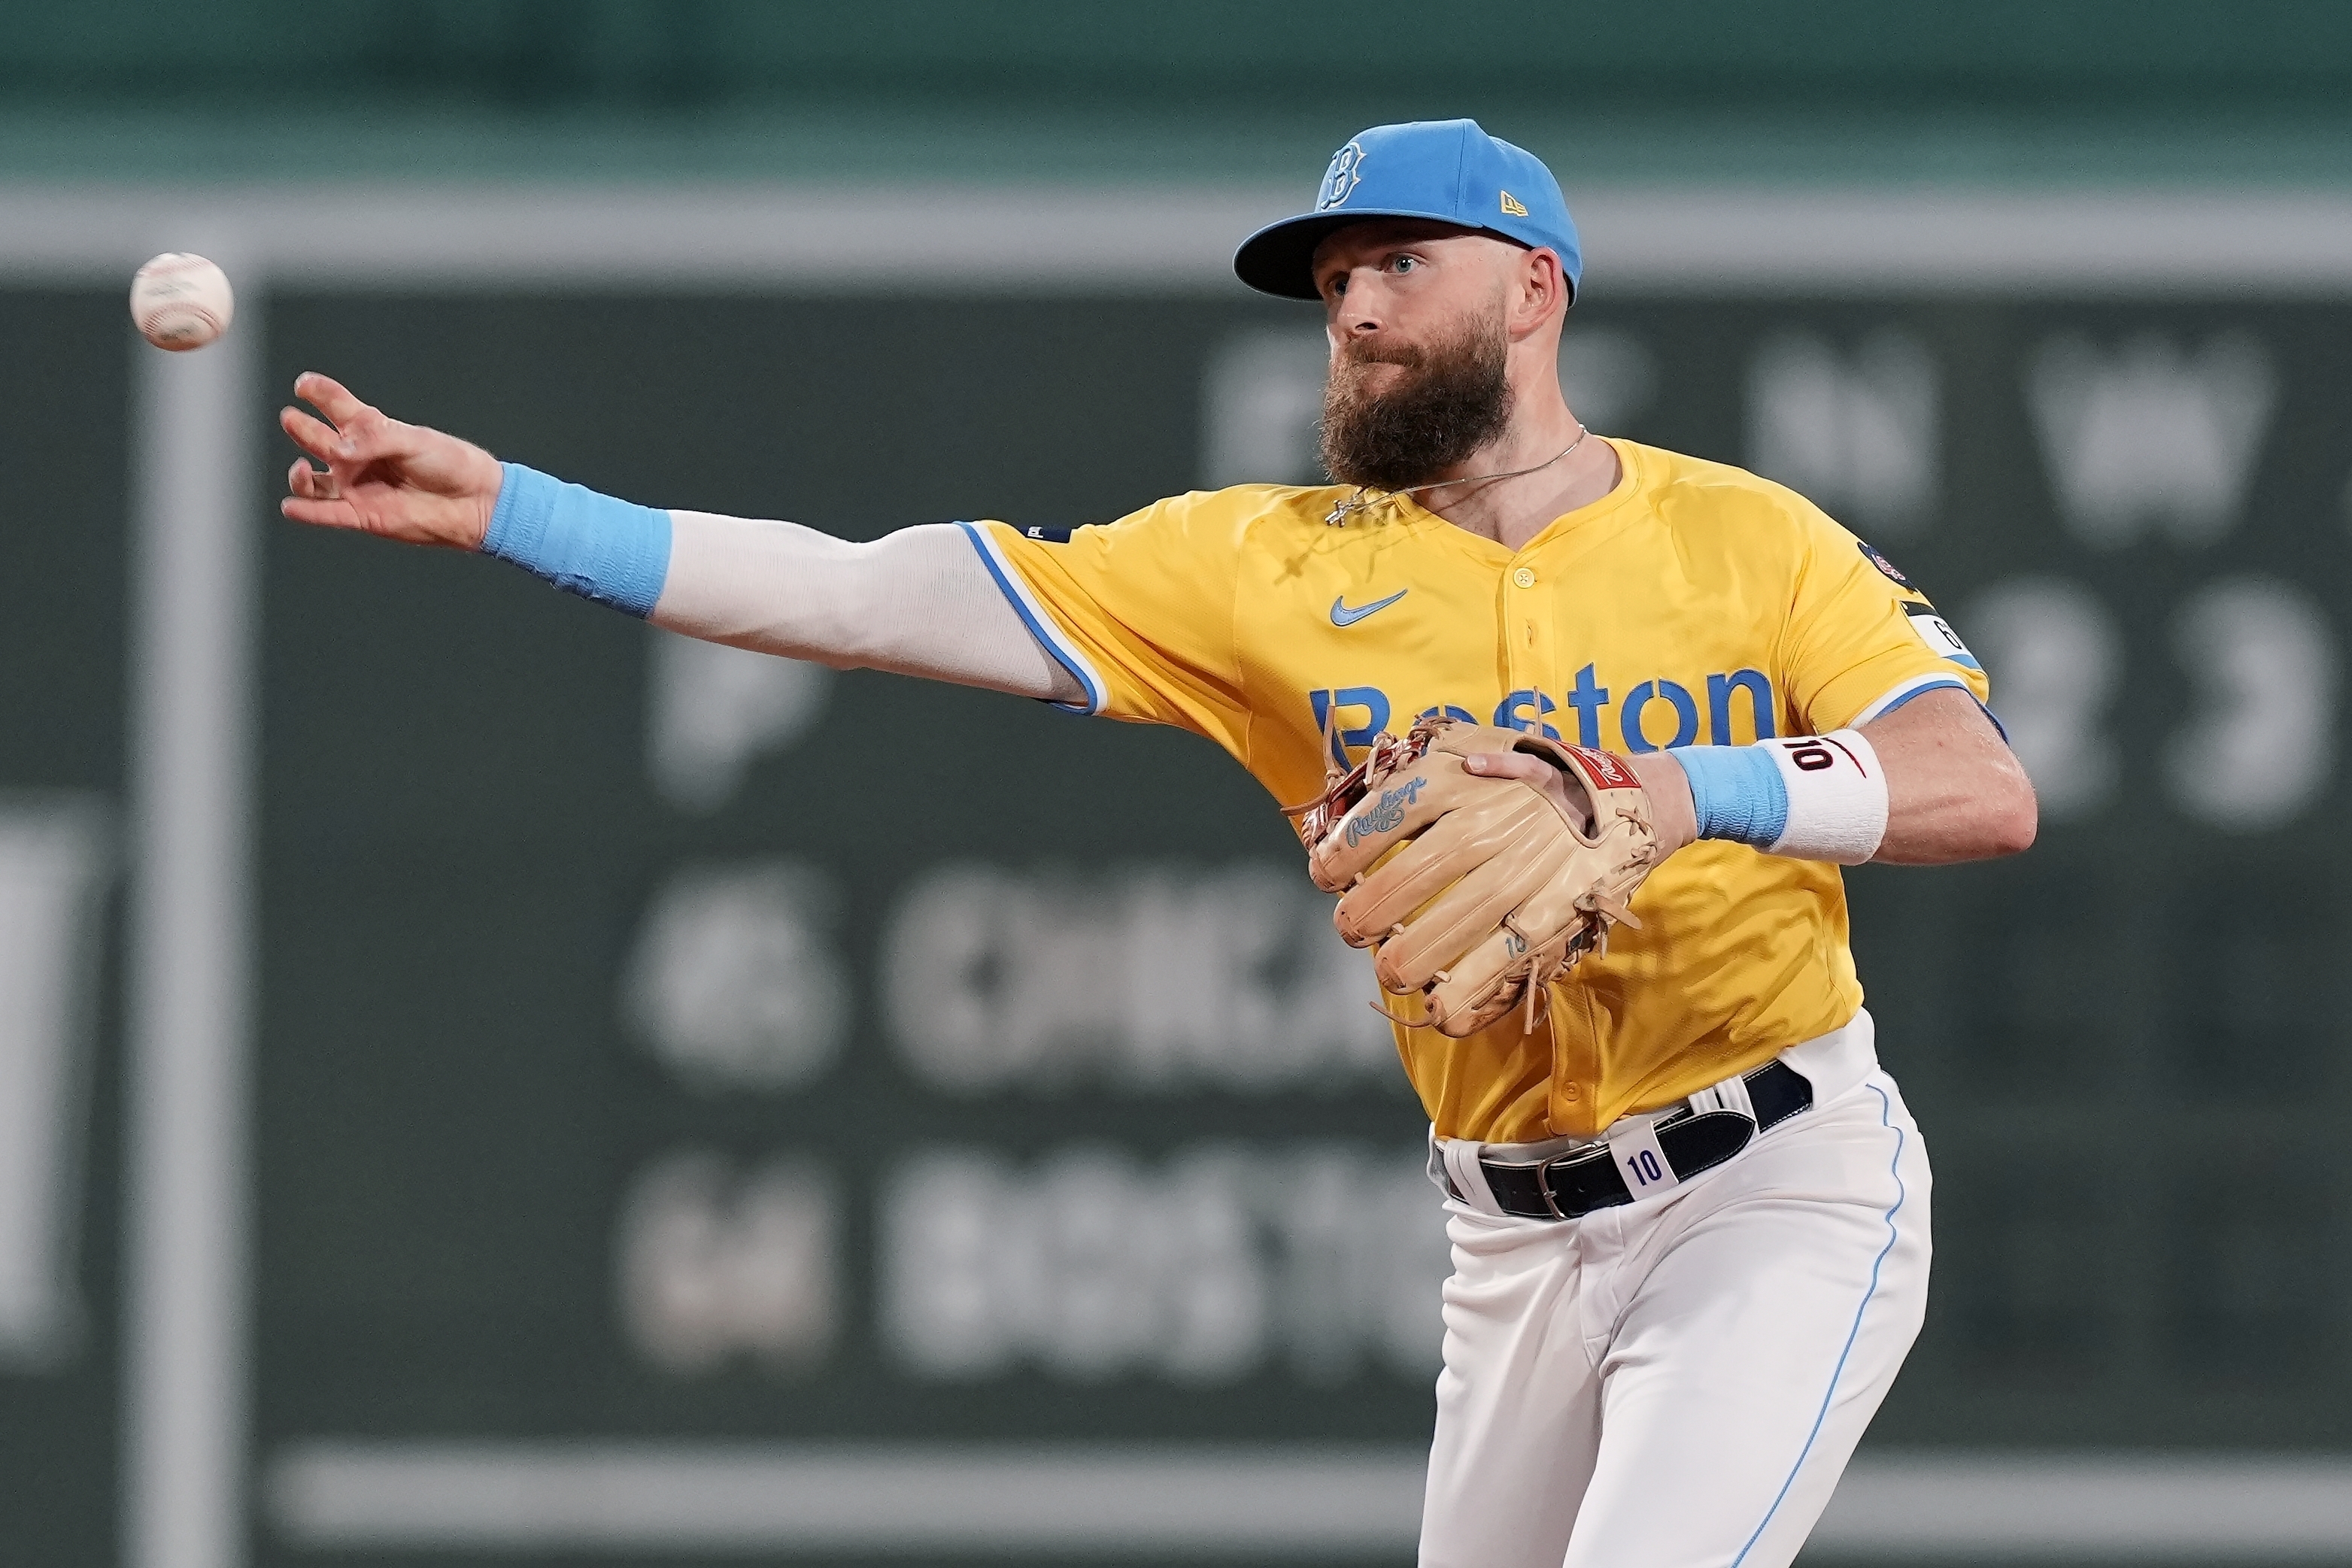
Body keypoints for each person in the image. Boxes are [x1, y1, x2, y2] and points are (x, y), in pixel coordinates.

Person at [278, 118, 2035, 1568]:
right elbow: (867, 591)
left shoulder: (1750, 540)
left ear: (1535, 287)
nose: (1352, 309)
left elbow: (1977, 781)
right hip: (1509, 1241)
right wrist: (520, 510)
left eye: (1398, 266)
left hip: (1772, 1185)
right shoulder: (1255, 565)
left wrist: (1677, 791)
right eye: (1334, 282)